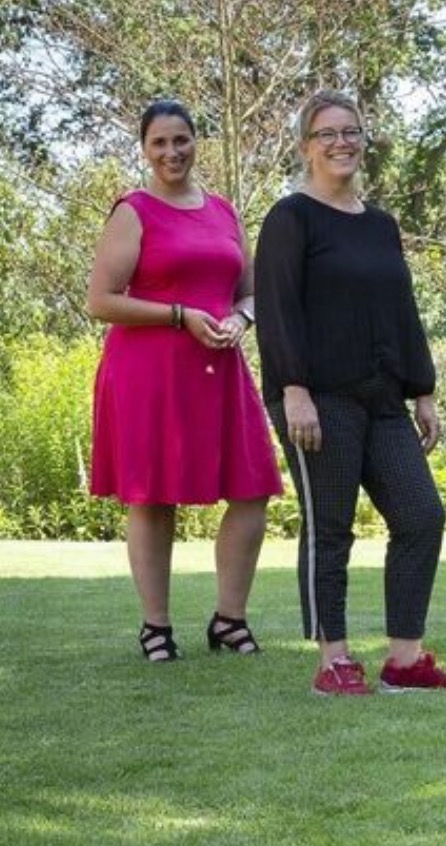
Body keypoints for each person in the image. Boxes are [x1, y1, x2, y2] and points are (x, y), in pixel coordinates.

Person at [255, 89, 446, 695]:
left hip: (383, 398)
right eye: (328, 134)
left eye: (351, 131)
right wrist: (294, 390)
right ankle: (334, 660)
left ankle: (404, 659)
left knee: (422, 515)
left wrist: (422, 389)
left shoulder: (380, 225)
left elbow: (402, 308)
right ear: (306, 147)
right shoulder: (290, 218)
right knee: (332, 525)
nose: (342, 142)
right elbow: (277, 312)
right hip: (318, 397)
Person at [87, 100, 281, 662]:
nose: (172, 152)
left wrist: (240, 318)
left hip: (218, 368)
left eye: (181, 140)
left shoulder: (224, 210)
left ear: (198, 142)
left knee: (252, 489)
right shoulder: (133, 211)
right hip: (148, 373)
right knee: (153, 497)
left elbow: (248, 288)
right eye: (159, 144)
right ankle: (156, 626)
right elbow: (101, 300)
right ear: (145, 150)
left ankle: (230, 619)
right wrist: (179, 315)